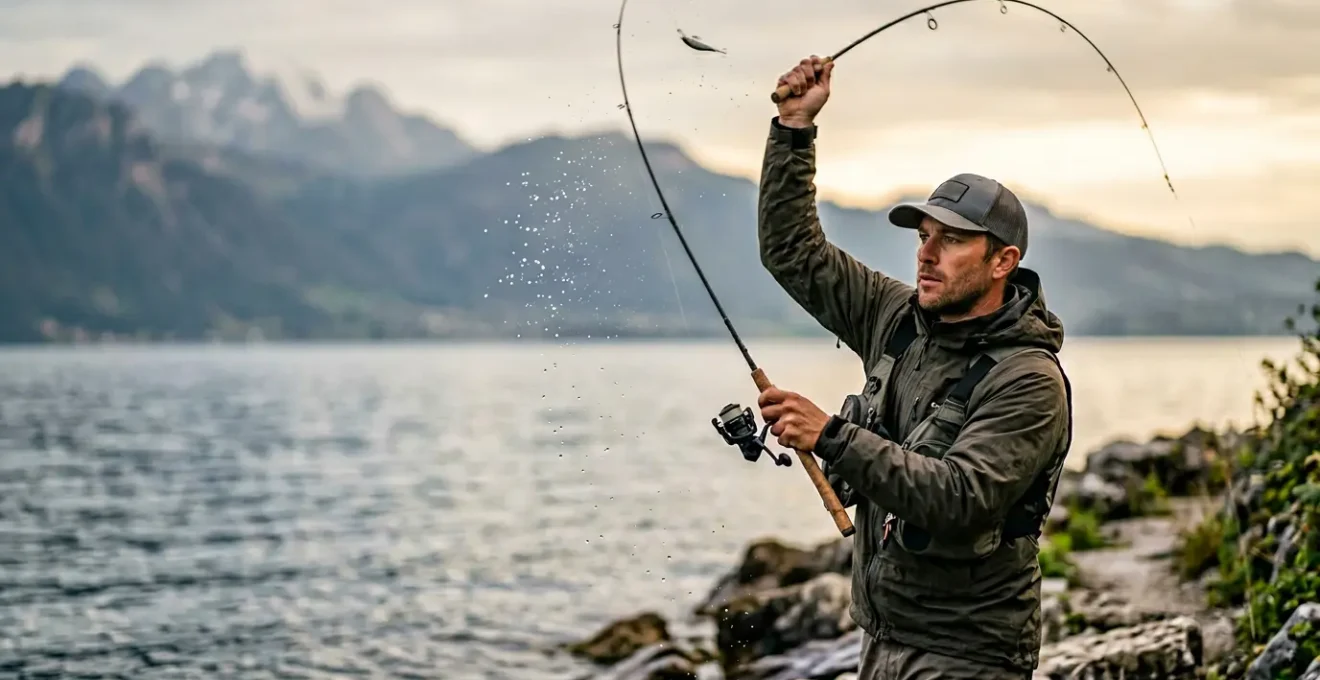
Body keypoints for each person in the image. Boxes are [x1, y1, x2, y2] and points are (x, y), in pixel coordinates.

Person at [754, 55, 1074, 679]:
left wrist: (831, 436)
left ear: (1003, 260)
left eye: (950, 240)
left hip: (968, 652)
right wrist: (794, 129)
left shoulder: (1029, 380)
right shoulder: (893, 315)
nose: (926, 254)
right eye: (923, 235)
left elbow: (961, 497)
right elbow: (793, 253)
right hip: (881, 634)